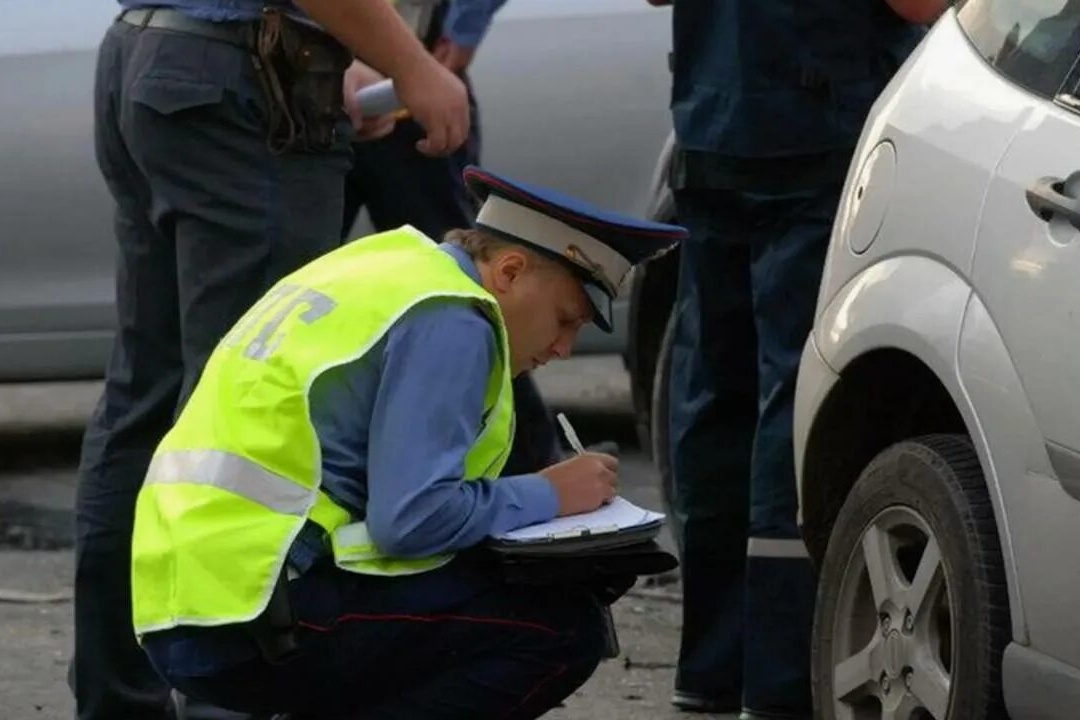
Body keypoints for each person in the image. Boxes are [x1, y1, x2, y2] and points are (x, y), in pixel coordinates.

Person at [126, 166, 686, 719]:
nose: (564, 348)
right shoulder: (454, 319)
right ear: (510, 271)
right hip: (255, 610)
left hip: (189, 601)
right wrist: (551, 495)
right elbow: (411, 519)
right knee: (561, 627)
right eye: (565, 320)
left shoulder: (384, 267)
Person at [74, 1, 472, 718]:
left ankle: (120, 697)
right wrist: (410, 65)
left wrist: (343, 52)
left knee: (146, 403)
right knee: (244, 418)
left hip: (155, 54)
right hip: (238, 85)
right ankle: (221, 697)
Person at [655, 0, 948, 717]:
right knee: (793, 400)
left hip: (711, 131)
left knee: (713, 401)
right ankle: (778, 679)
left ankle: (713, 670)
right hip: (813, 135)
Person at [340, 0, 565, 476]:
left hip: (399, 71)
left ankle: (531, 463)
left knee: (465, 284)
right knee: (461, 285)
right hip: (345, 72)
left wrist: (454, 35)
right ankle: (532, 466)